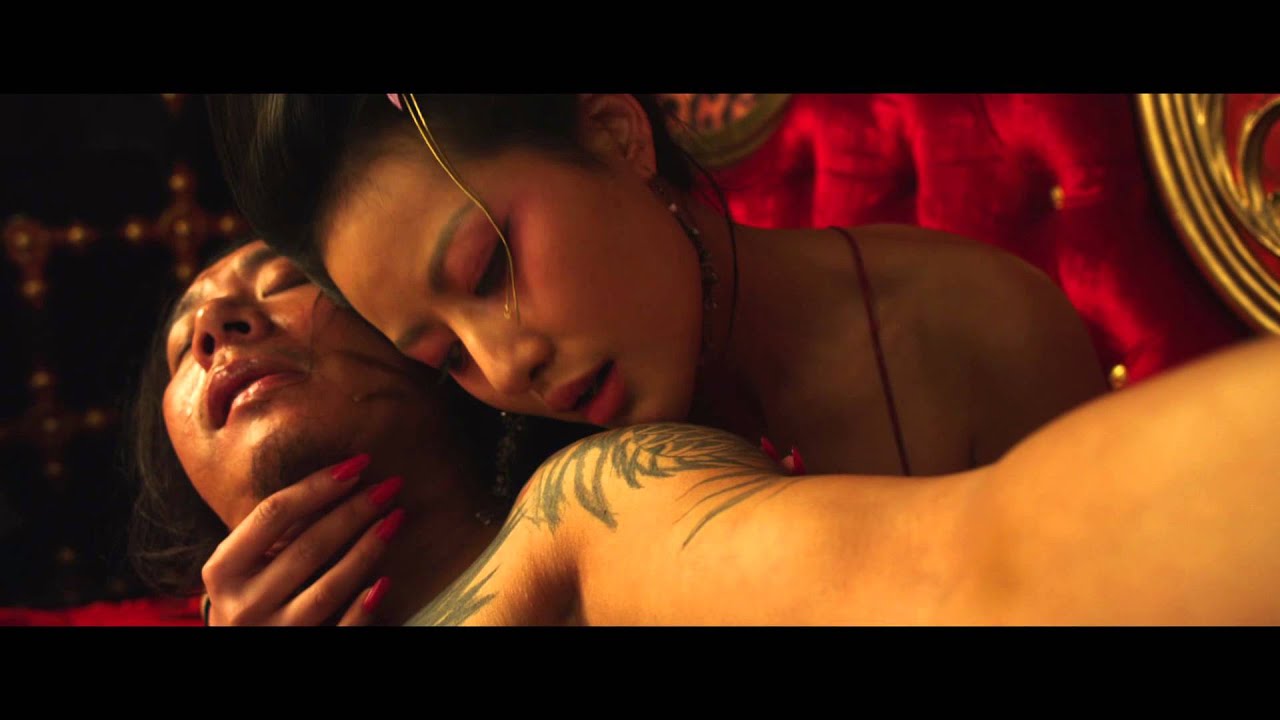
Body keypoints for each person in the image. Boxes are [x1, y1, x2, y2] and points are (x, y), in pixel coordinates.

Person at [135, 241, 1280, 625]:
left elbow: (982, 568)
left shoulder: (600, 507)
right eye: (186, 338)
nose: (219, 327)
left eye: (281, 285)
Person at [206, 93, 1108, 478]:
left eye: (489, 269)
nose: (505, 367)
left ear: (615, 132)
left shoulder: (980, 330)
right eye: (445, 356)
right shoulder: (500, 461)